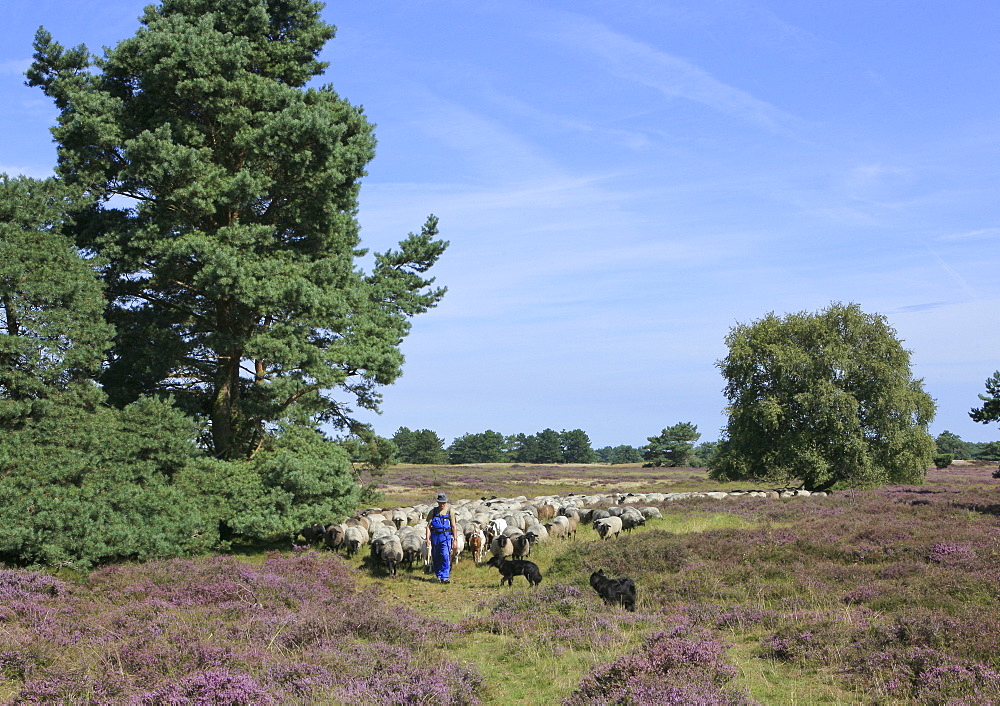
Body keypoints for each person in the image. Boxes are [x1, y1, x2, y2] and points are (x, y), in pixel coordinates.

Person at [425, 492, 459, 583]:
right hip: (435, 536)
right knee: (436, 556)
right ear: (437, 502)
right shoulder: (433, 511)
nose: (442, 504)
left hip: (446, 536)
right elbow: (428, 527)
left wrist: (455, 540)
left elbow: (453, 526)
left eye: (444, 502)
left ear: (446, 502)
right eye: (440, 502)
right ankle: (438, 575)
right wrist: (427, 539)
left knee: (445, 555)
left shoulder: (450, 511)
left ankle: (445, 576)